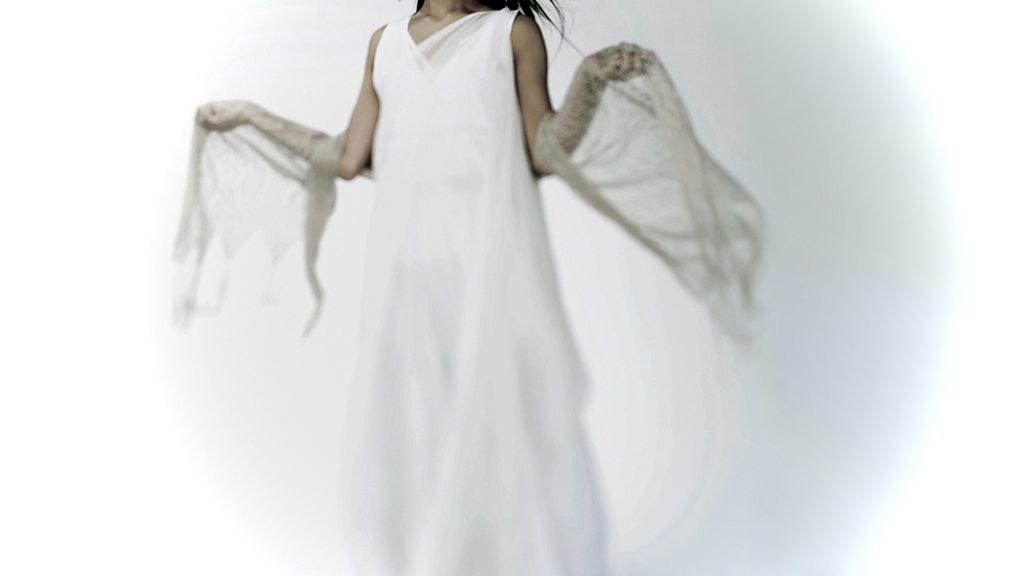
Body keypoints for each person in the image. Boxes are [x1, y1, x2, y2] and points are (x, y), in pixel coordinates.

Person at [179, 1, 765, 575]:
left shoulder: (510, 33)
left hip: (493, 256)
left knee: (510, 415)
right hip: (409, 270)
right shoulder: (386, 44)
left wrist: (588, 82)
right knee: (419, 418)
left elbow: (542, 150)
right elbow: (351, 156)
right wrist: (250, 115)